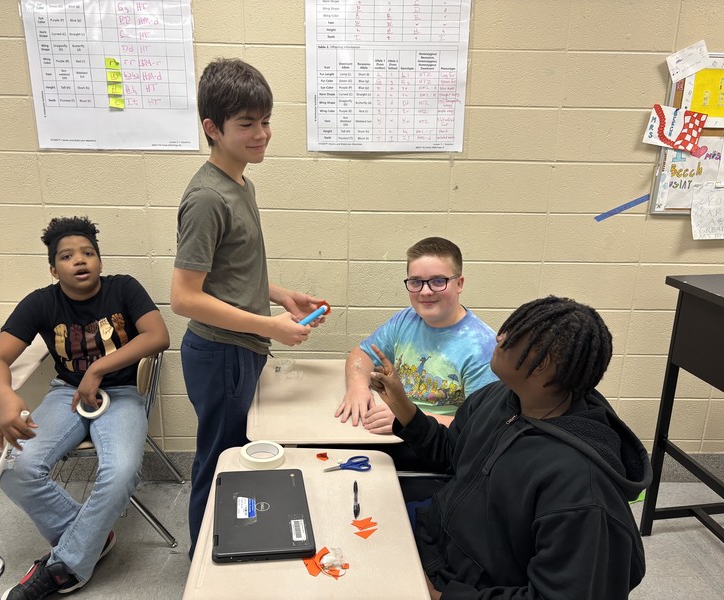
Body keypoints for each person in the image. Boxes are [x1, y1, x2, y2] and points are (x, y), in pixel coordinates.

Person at [369, 296, 650, 600]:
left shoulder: (581, 488)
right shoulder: (501, 397)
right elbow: (452, 454)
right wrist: (401, 405)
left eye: (510, 339)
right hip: (438, 545)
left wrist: (441, 596)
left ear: (541, 365)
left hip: (465, 587)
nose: (498, 337)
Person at [170, 57, 325, 558]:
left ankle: (234, 552)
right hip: (221, 353)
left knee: (238, 456)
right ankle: (204, 572)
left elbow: (228, 274)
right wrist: (270, 326)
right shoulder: (207, 198)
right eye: (246, 125)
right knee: (221, 463)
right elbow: (184, 298)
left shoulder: (240, 182)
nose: (261, 134)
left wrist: (280, 296)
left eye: (265, 121)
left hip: (242, 347)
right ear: (212, 129)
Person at [0, 216, 170, 600]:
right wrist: (5, 398)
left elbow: (158, 335)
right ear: (54, 268)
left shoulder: (124, 288)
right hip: (65, 393)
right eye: (67, 256)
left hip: (123, 394)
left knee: (121, 473)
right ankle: (90, 541)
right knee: (15, 469)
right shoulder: (40, 302)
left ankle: (64, 567)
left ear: (99, 260)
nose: (79, 261)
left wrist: (97, 368)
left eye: (88, 253)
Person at [335, 237, 497, 434]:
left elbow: (482, 424)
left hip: (439, 446)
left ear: (459, 283)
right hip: (394, 428)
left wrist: (408, 418)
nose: (425, 291)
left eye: (438, 281)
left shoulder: (482, 347)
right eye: (416, 282)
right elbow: (361, 355)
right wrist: (357, 387)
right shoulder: (405, 320)